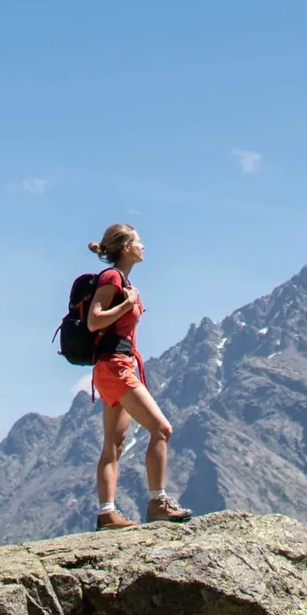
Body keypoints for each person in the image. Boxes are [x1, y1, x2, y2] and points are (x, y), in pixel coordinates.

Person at [84, 224, 193, 529]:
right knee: (161, 429)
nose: (143, 246)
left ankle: (107, 513)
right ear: (125, 247)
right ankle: (158, 502)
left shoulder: (122, 279)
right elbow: (95, 320)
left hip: (114, 367)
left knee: (114, 445)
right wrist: (127, 304)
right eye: (138, 241)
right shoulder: (112, 278)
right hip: (116, 367)